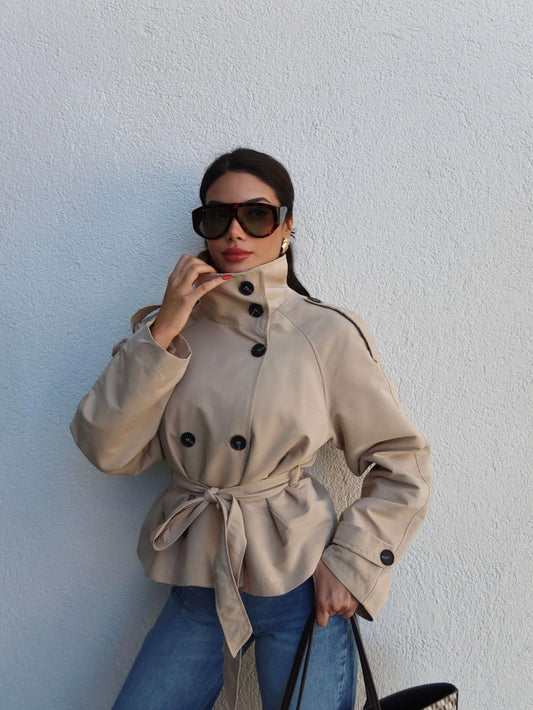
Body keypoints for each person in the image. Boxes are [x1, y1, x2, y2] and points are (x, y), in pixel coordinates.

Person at [70, 148, 431, 710]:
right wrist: (163, 329)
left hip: (301, 587)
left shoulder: (324, 333)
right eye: (217, 216)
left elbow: (402, 459)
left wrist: (353, 565)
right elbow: (106, 447)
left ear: (286, 226)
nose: (235, 231)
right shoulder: (168, 333)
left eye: (256, 215)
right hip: (197, 585)